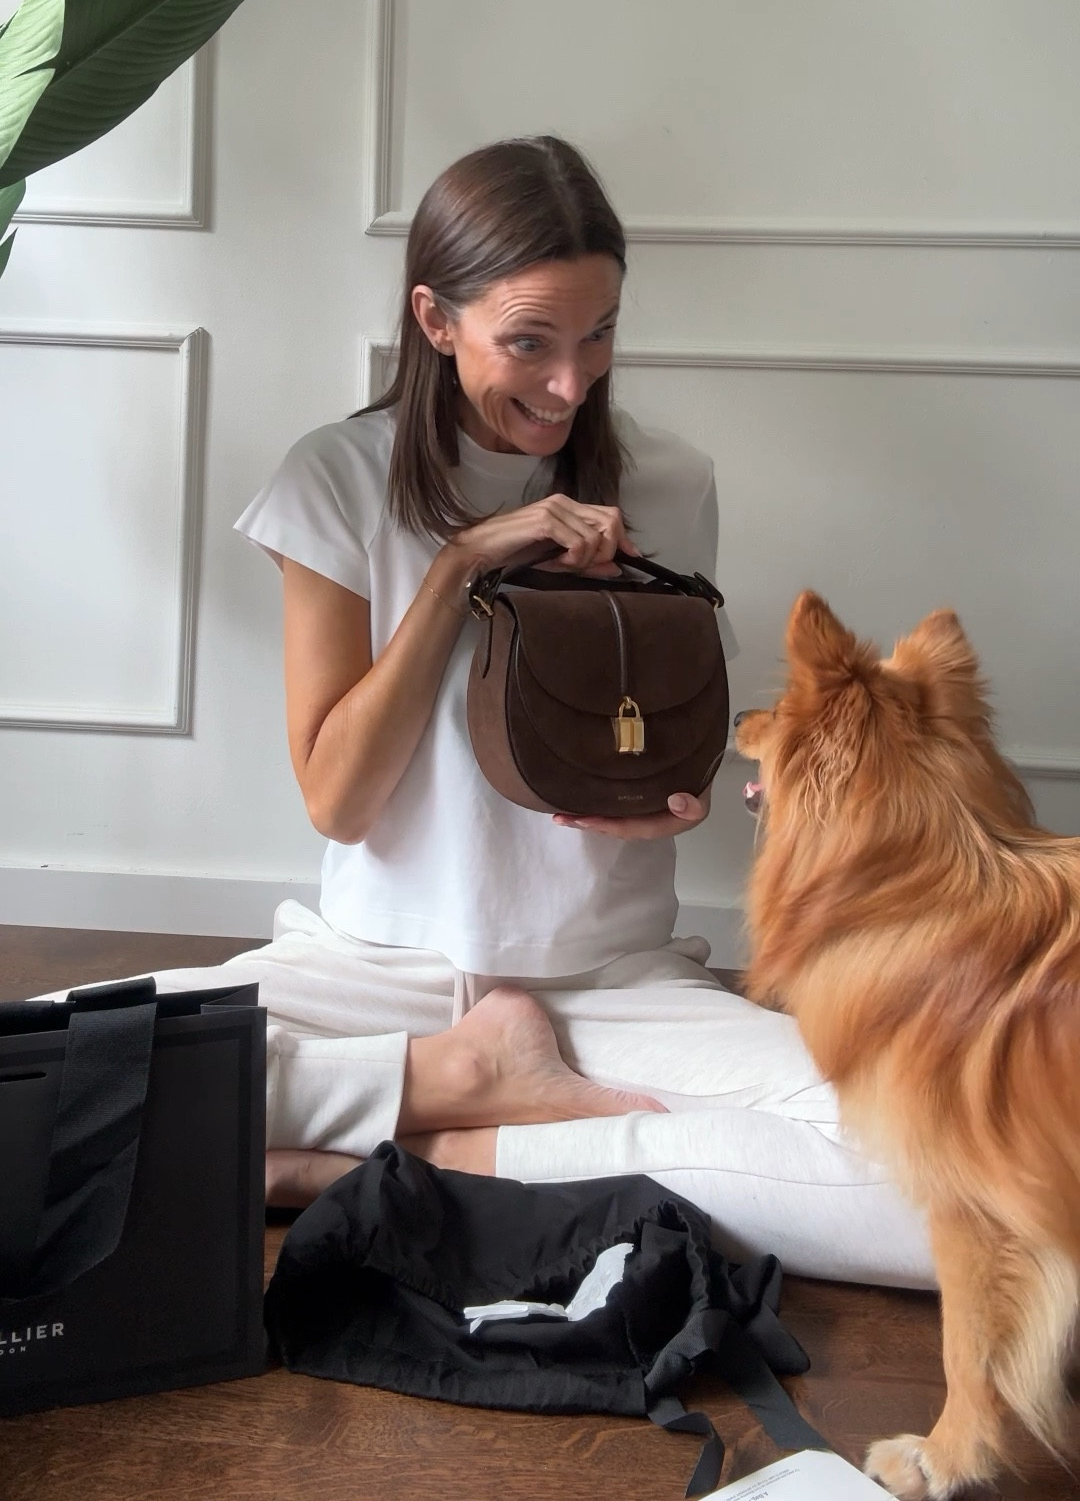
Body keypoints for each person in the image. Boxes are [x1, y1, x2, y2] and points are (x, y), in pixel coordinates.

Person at [98, 136, 936, 1286]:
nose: (570, 383)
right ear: (436, 320)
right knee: (50, 1080)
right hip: (372, 971)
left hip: (608, 980)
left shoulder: (666, 482)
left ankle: (414, 1158)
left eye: (598, 335)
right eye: (529, 342)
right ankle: (454, 1088)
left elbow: (671, 742)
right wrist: (458, 570)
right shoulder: (337, 482)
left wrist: (675, 800)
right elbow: (339, 799)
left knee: (938, 1175)